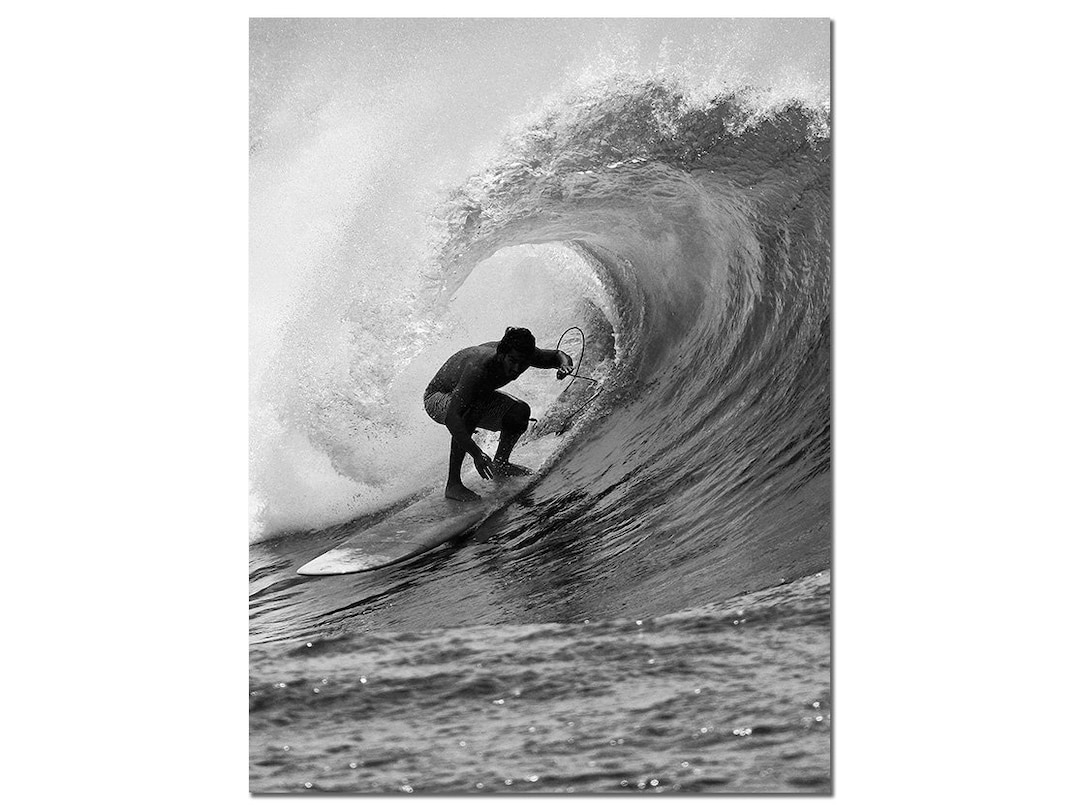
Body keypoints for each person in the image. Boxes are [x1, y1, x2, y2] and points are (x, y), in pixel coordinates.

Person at [423, 327, 573, 501]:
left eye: (523, 363)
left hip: (473, 396)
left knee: (519, 411)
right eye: (513, 361)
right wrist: (477, 454)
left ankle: (501, 464)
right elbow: (452, 417)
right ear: (502, 354)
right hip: (438, 397)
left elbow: (557, 356)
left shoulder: (525, 354)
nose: (517, 367)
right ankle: (453, 484)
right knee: (472, 409)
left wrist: (565, 365)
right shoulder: (479, 367)